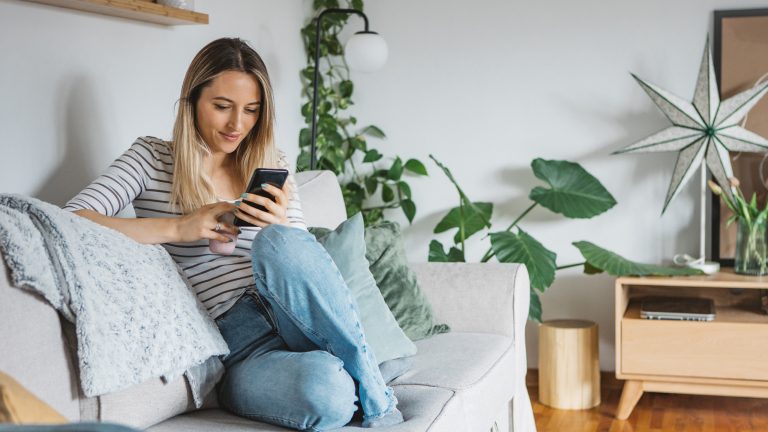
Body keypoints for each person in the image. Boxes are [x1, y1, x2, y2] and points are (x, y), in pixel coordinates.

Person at [64, 37, 402, 431]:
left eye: (251, 111)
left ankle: (376, 399)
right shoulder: (151, 159)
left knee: (281, 241)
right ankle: (360, 379)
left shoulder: (271, 165)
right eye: (222, 106)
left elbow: (307, 269)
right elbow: (70, 219)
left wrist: (279, 225)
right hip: (240, 348)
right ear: (192, 101)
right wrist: (179, 226)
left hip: (295, 314)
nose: (236, 124)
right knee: (328, 390)